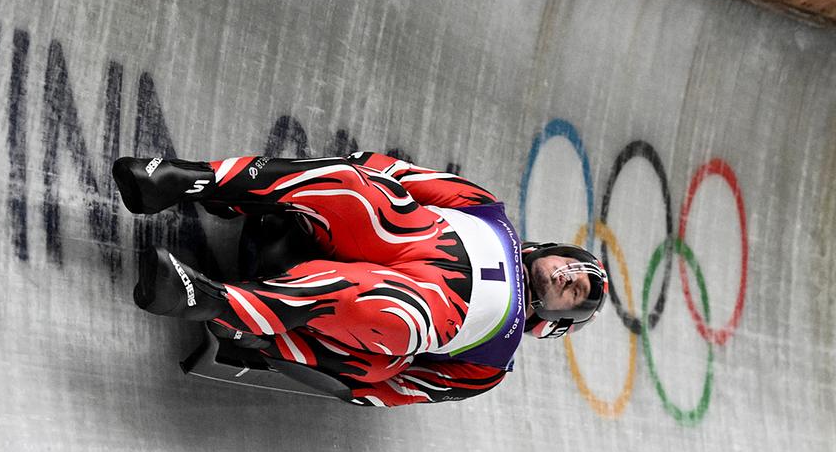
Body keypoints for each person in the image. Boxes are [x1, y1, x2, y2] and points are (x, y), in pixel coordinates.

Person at [112, 152, 608, 407]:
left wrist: (347, 373)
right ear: (550, 248)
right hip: (400, 235)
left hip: (403, 313)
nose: (567, 278)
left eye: (575, 292)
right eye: (572, 266)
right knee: (352, 186)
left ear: (556, 319)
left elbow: (398, 389)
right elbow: (400, 174)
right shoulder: (488, 210)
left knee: (394, 316)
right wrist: (361, 172)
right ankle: (184, 179)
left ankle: (212, 300)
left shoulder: (491, 363)